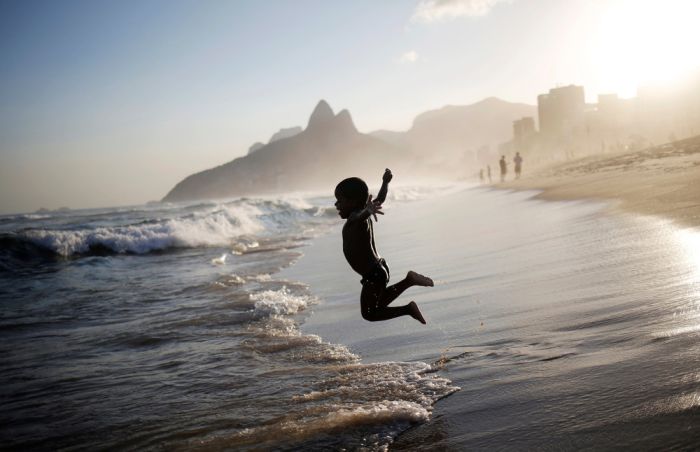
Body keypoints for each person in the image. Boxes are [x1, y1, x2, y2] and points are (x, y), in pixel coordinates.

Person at [334, 168, 433, 324]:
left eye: (340, 200)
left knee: (369, 313)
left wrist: (367, 211)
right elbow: (380, 199)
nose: (336, 204)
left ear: (352, 202)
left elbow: (360, 217)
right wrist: (385, 182)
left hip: (373, 274)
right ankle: (409, 282)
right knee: (375, 307)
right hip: (377, 271)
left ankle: (408, 302)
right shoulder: (360, 213)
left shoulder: (355, 217)